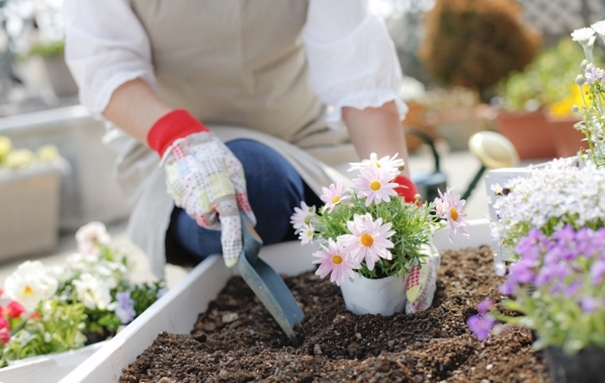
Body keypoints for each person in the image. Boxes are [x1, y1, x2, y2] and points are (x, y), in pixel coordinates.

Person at [62, 0, 420, 280]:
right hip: (177, 150)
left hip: (301, 142)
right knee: (255, 182)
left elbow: (356, 71)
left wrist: (398, 195)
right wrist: (179, 138)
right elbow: (106, 66)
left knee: (276, 189)